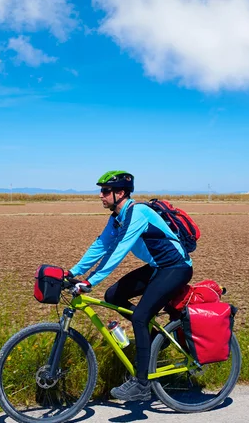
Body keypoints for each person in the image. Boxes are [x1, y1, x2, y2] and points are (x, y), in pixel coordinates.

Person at [67, 170, 193, 401]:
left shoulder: (138, 213)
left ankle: (142, 384)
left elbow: (118, 250)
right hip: (157, 267)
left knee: (139, 317)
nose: (101, 196)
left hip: (176, 268)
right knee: (113, 296)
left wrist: (90, 281)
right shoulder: (117, 218)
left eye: (105, 191)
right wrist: (73, 272)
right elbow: (101, 245)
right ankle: (156, 339)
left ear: (121, 193)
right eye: (101, 191)